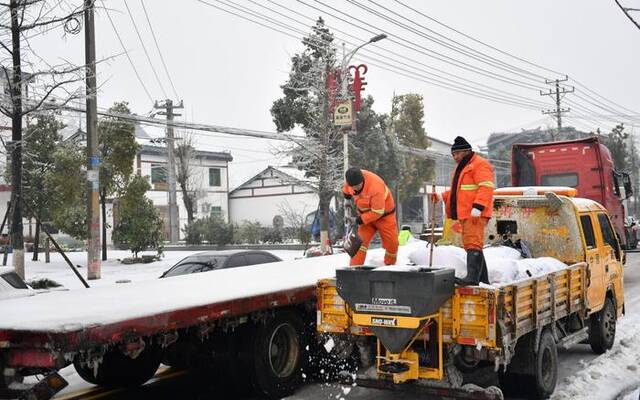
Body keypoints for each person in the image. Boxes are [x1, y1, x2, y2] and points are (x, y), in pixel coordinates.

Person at [432, 136, 494, 285]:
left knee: (473, 243)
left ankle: (472, 278)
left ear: (466, 151)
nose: (454, 157)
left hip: (474, 213)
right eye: (453, 154)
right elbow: (457, 192)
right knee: (473, 245)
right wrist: (441, 196)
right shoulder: (462, 168)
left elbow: (486, 187)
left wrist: (478, 207)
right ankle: (482, 279)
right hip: (466, 212)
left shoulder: (479, 165)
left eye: (457, 154)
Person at [343, 168, 398, 266]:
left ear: (362, 180)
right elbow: (346, 191)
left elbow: (377, 213)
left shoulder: (376, 187)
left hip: (384, 217)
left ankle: (389, 267)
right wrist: (347, 200)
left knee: (392, 244)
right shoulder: (350, 182)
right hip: (365, 218)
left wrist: (357, 220)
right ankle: (354, 271)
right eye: (353, 186)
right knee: (358, 244)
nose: (355, 188)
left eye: (357, 185)